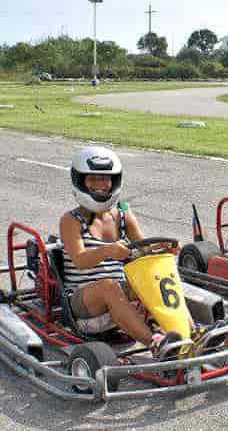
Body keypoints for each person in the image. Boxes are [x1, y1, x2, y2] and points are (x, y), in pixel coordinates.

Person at [59, 146, 182, 359]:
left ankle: (185, 331)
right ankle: (156, 345)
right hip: (83, 302)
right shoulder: (71, 221)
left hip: (117, 295)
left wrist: (163, 248)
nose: (100, 185)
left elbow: (143, 249)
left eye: (105, 179)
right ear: (80, 181)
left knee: (157, 280)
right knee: (109, 287)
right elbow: (79, 260)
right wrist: (108, 251)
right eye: (92, 179)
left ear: (114, 182)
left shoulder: (124, 217)